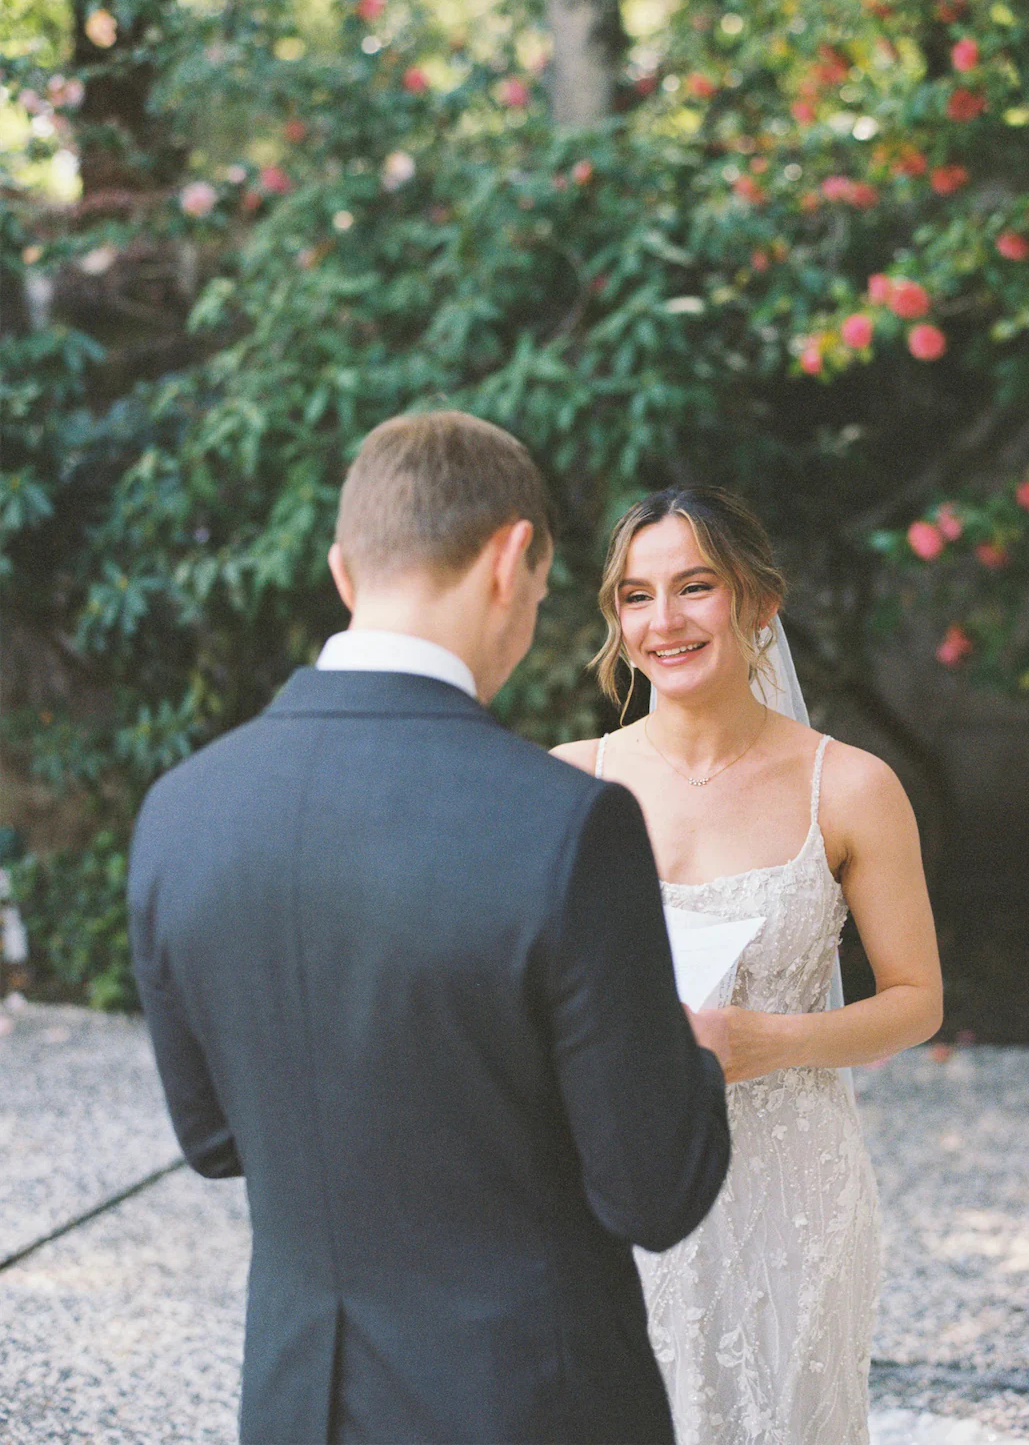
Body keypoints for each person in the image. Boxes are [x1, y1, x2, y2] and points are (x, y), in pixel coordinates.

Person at [128, 414, 731, 1445]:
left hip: (297, 1402)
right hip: (529, 1405)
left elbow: (215, 1138)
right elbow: (653, 1193)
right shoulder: (566, 824)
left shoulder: (181, 809)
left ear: (341, 569)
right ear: (511, 559)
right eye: (543, 594)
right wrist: (691, 1052)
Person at [553, 486, 942, 1445]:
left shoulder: (849, 786)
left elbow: (918, 1001)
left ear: (758, 602)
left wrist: (772, 1041)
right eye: (636, 597)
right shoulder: (566, 782)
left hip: (789, 1193)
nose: (664, 621)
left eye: (695, 588)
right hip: (609, 1190)